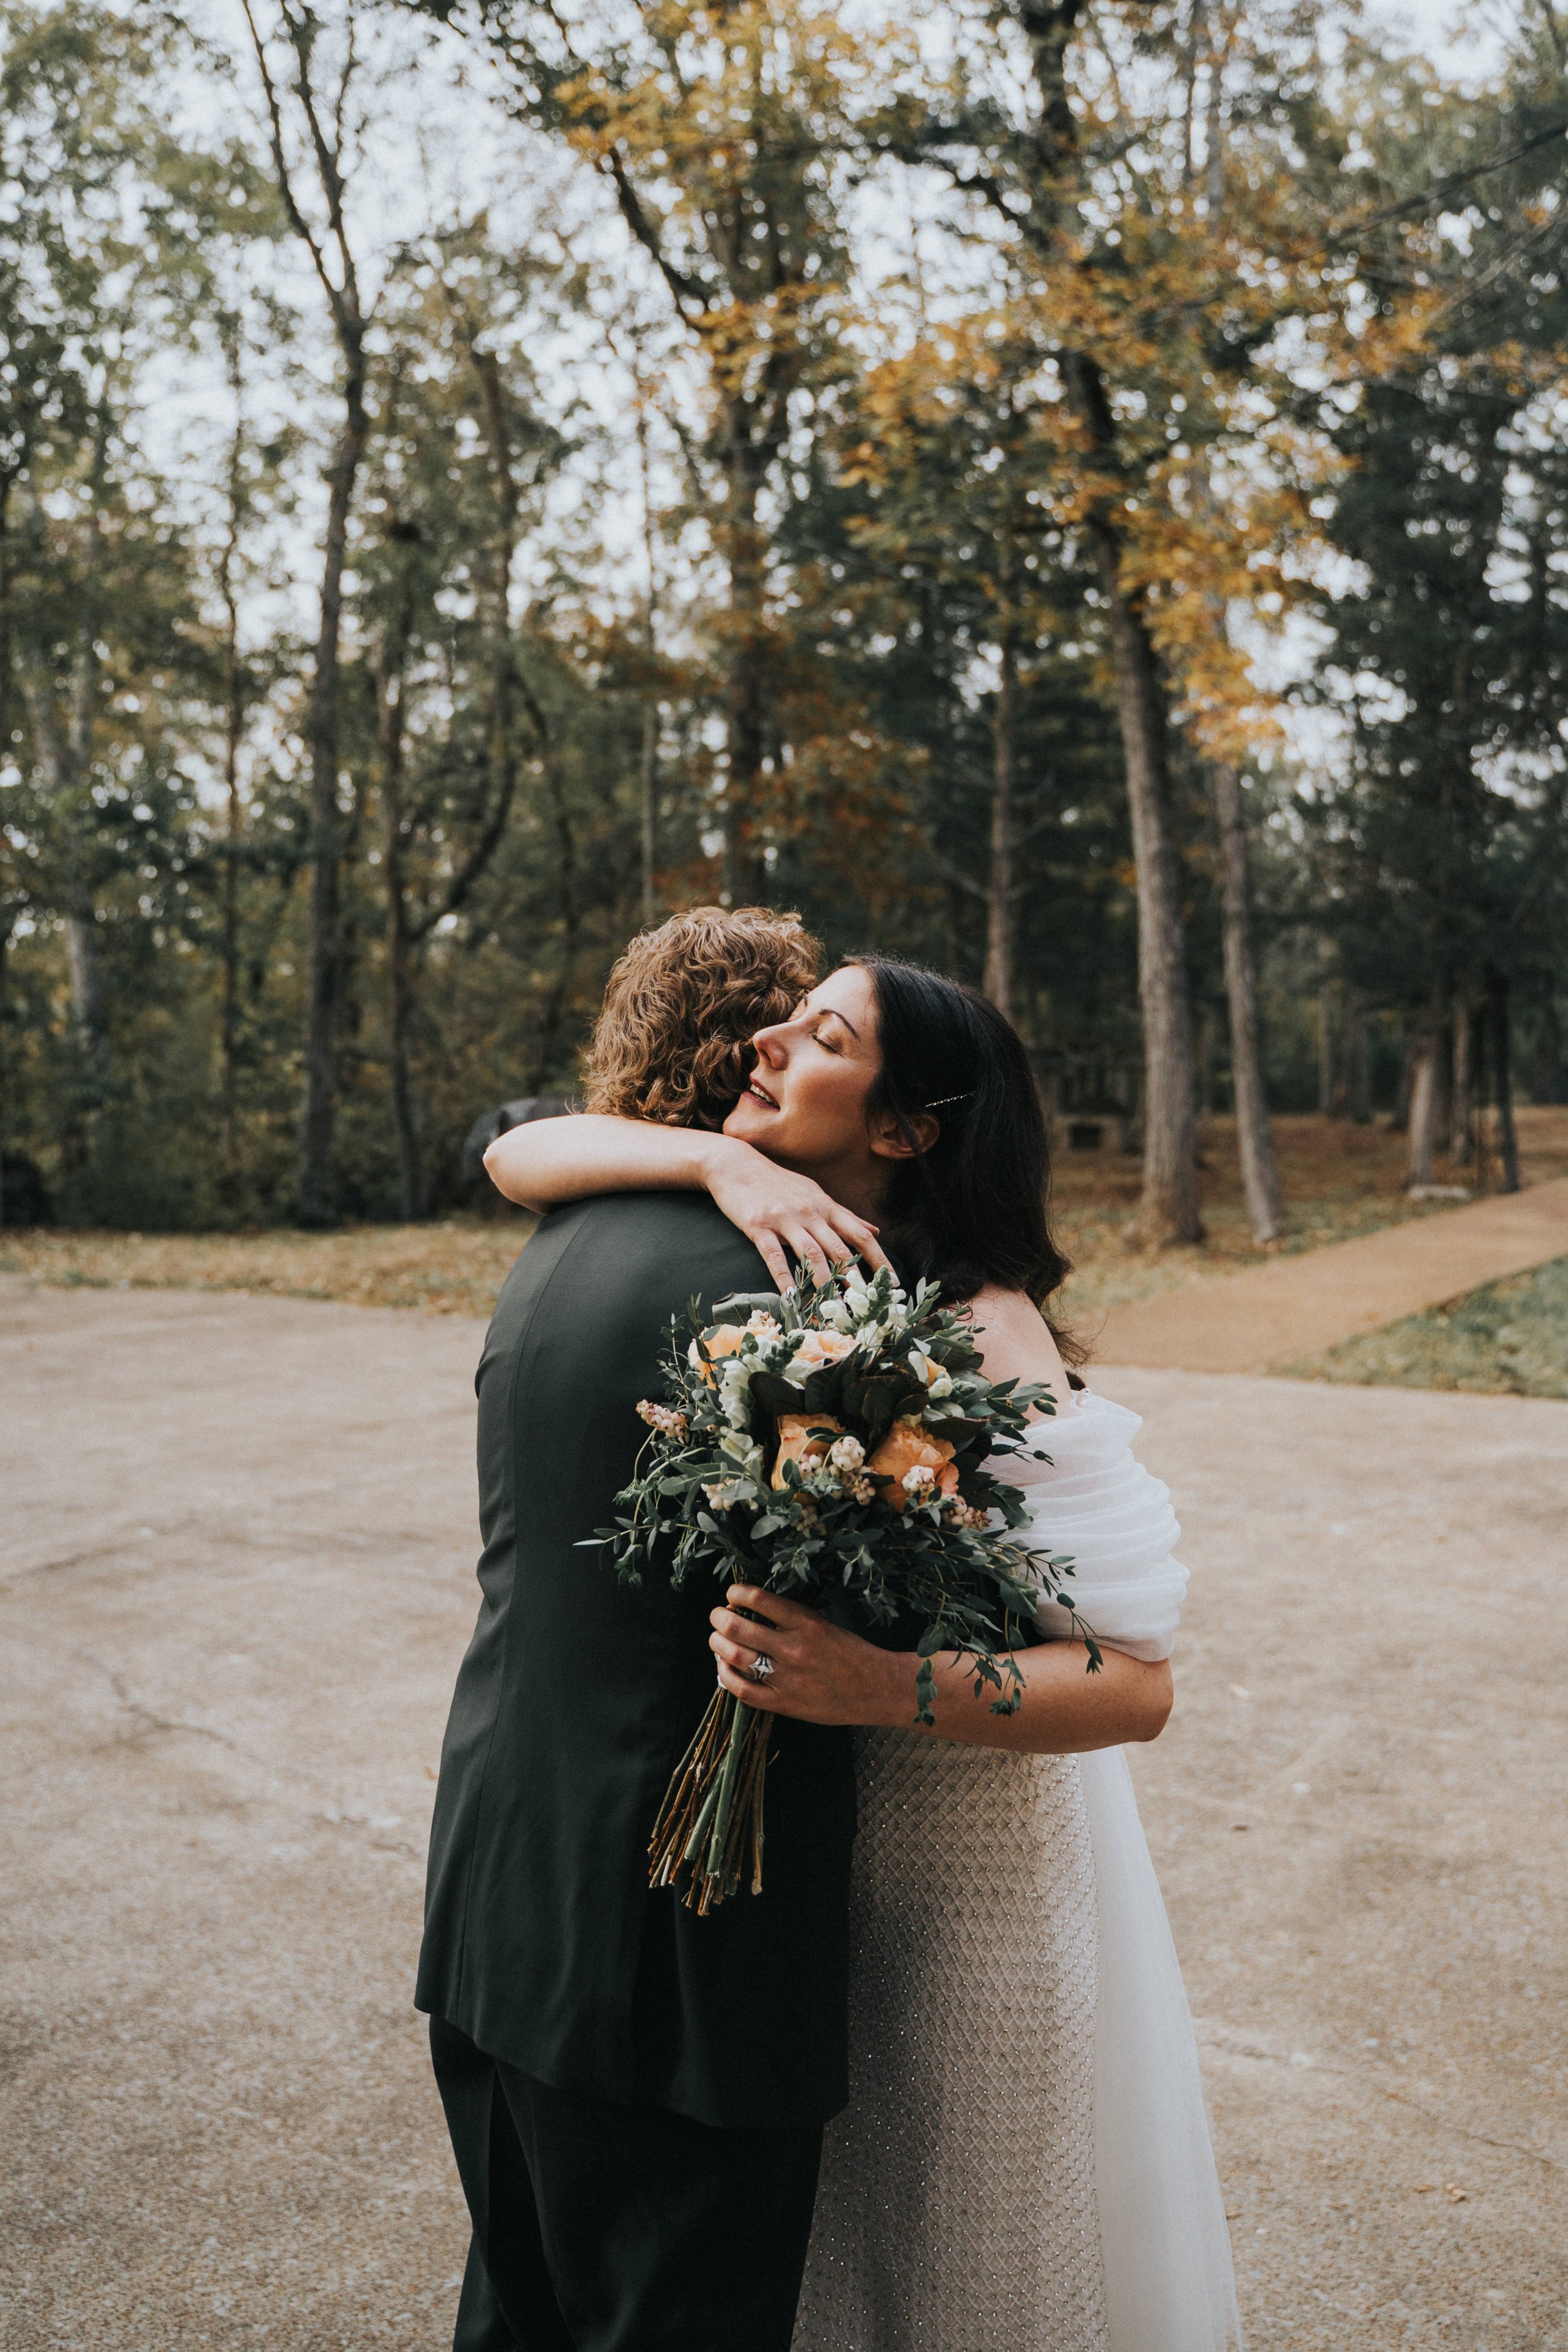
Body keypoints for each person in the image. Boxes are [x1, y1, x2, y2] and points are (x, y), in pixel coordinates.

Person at [487, 950, 1244, 2352]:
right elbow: (522, 1151)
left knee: (947, 2273)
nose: (767, 1038)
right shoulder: (789, 1260)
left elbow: (1136, 1686)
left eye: (820, 1033)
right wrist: (726, 1172)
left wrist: (878, 1684)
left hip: (960, 1897)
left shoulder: (980, 1326)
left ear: (904, 1128)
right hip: (805, 1891)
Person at [418, 906, 888, 2352]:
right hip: (671, 1954)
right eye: (791, 1023)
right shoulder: (796, 1301)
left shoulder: (561, 1236)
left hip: (496, 1876)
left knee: (516, 2314)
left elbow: (514, 1146)